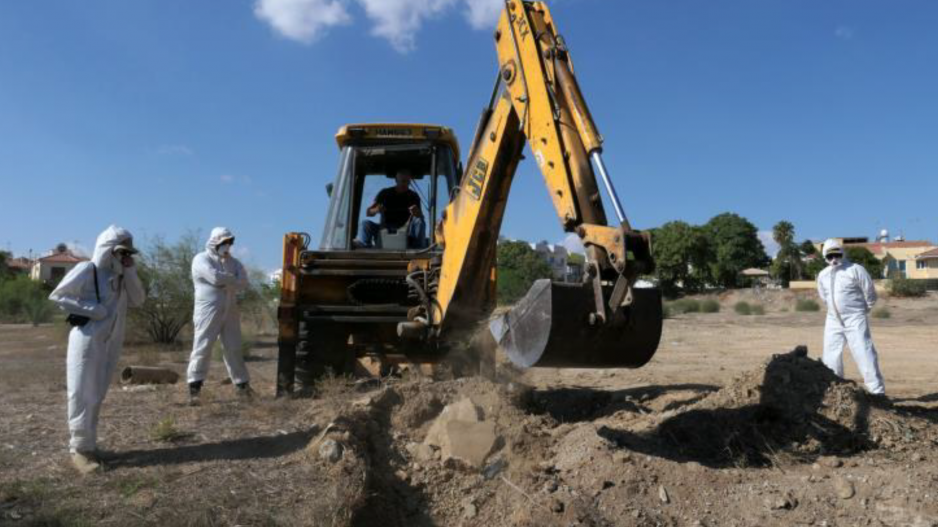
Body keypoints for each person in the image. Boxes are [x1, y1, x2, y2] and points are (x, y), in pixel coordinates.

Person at [49, 225, 145, 474]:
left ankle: (89, 445)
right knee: (81, 392)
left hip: (111, 340)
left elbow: (139, 300)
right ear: (108, 249)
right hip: (86, 338)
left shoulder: (122, 276)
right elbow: (59, 296)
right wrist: (94, 310)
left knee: (97, 393)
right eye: (121, 252)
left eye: (128, 253)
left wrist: (131, 271)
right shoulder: (87, 269)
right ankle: (79, 450)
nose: (125, 257)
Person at [186, 227, 253, 406]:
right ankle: (195, 388)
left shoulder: (234, 262)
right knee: (202, 347)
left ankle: (242, 386)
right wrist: (232, 279)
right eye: (224, 242)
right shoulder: (201, 259)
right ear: (215, 241)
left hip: (230, 310)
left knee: (234, 347)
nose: (227, 245)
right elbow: (214, 278)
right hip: (207, 311)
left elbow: (244, 282)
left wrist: (227, 279)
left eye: (229, 242)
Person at [816, 238, 885, 395]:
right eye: (829, 256)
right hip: (833, 319)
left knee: (864, 352)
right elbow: (824, 296)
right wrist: (835, 311)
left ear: (842, 253)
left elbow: (870, 294)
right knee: (830, 355)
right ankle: (835, 390)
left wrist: (861, 311)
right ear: (824, 257)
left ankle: (877, 393)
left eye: (837, 255)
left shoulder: (856, 270)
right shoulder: (822, 275)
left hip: (855, 318)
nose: (834, 260)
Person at [359, 168, 426, 248]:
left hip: (406, 231)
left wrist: (416, 212)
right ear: (396, 180)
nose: (405, 184)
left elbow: (420, 217)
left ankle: (418, 251)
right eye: (403, 181)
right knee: (365, 224)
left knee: (419, 221)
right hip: (384, 228)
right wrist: (376, 210)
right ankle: (365, 249)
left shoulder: (414, 196)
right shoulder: (385, 193)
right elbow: (368, 212)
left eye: (407, 182)